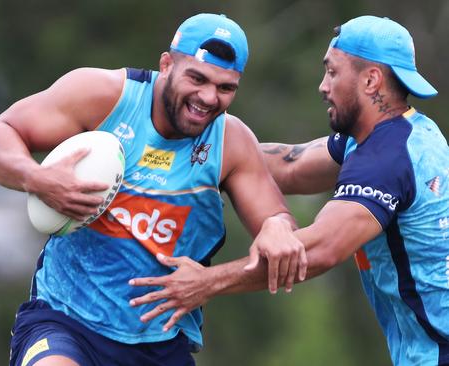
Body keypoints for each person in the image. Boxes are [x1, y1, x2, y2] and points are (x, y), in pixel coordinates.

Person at [0, 13, 307, 366]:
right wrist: (39, 178)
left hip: (159, 344)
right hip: (65, 321)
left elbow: (278, 223)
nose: (209, 97)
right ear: (166, 65)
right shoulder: (103, 97)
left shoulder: (232, 143)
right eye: (197, 78)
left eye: (225, 88)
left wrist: (276, 227)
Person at [129, 15, 449, 366]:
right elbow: (290, 165)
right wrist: (157, 154)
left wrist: (207, 281)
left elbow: (319, 250)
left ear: (371, 80)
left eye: (332, 71)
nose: (323, 86)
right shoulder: (404, 134)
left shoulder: (384, 159)